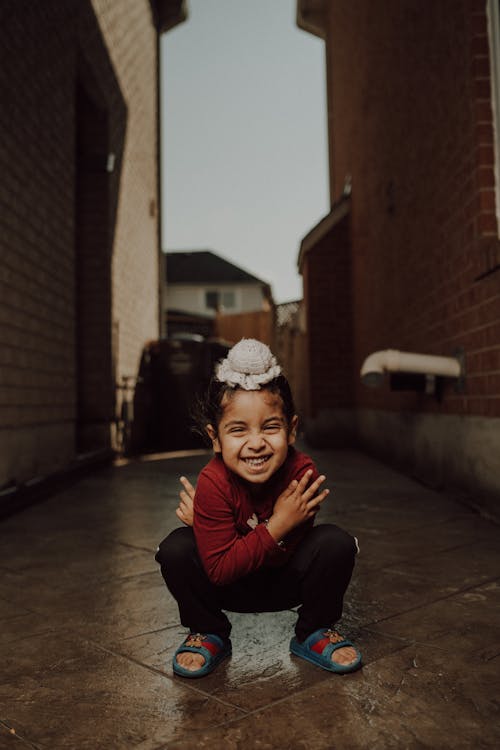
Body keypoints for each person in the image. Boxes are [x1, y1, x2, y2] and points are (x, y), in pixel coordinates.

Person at [155, 338, 361, 678]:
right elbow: (219, 571)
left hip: (283, 580)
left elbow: (288, 552)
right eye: (238, 430)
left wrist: (219, 529)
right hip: (228, 586)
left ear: (291, 430)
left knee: (335, 543)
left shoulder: (301, 472)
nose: (256, 443)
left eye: (270, 427)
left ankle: (314, 630)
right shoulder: (213, 481)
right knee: (177, 547)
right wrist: (277, 523)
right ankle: (208, 631)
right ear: (216, 439)